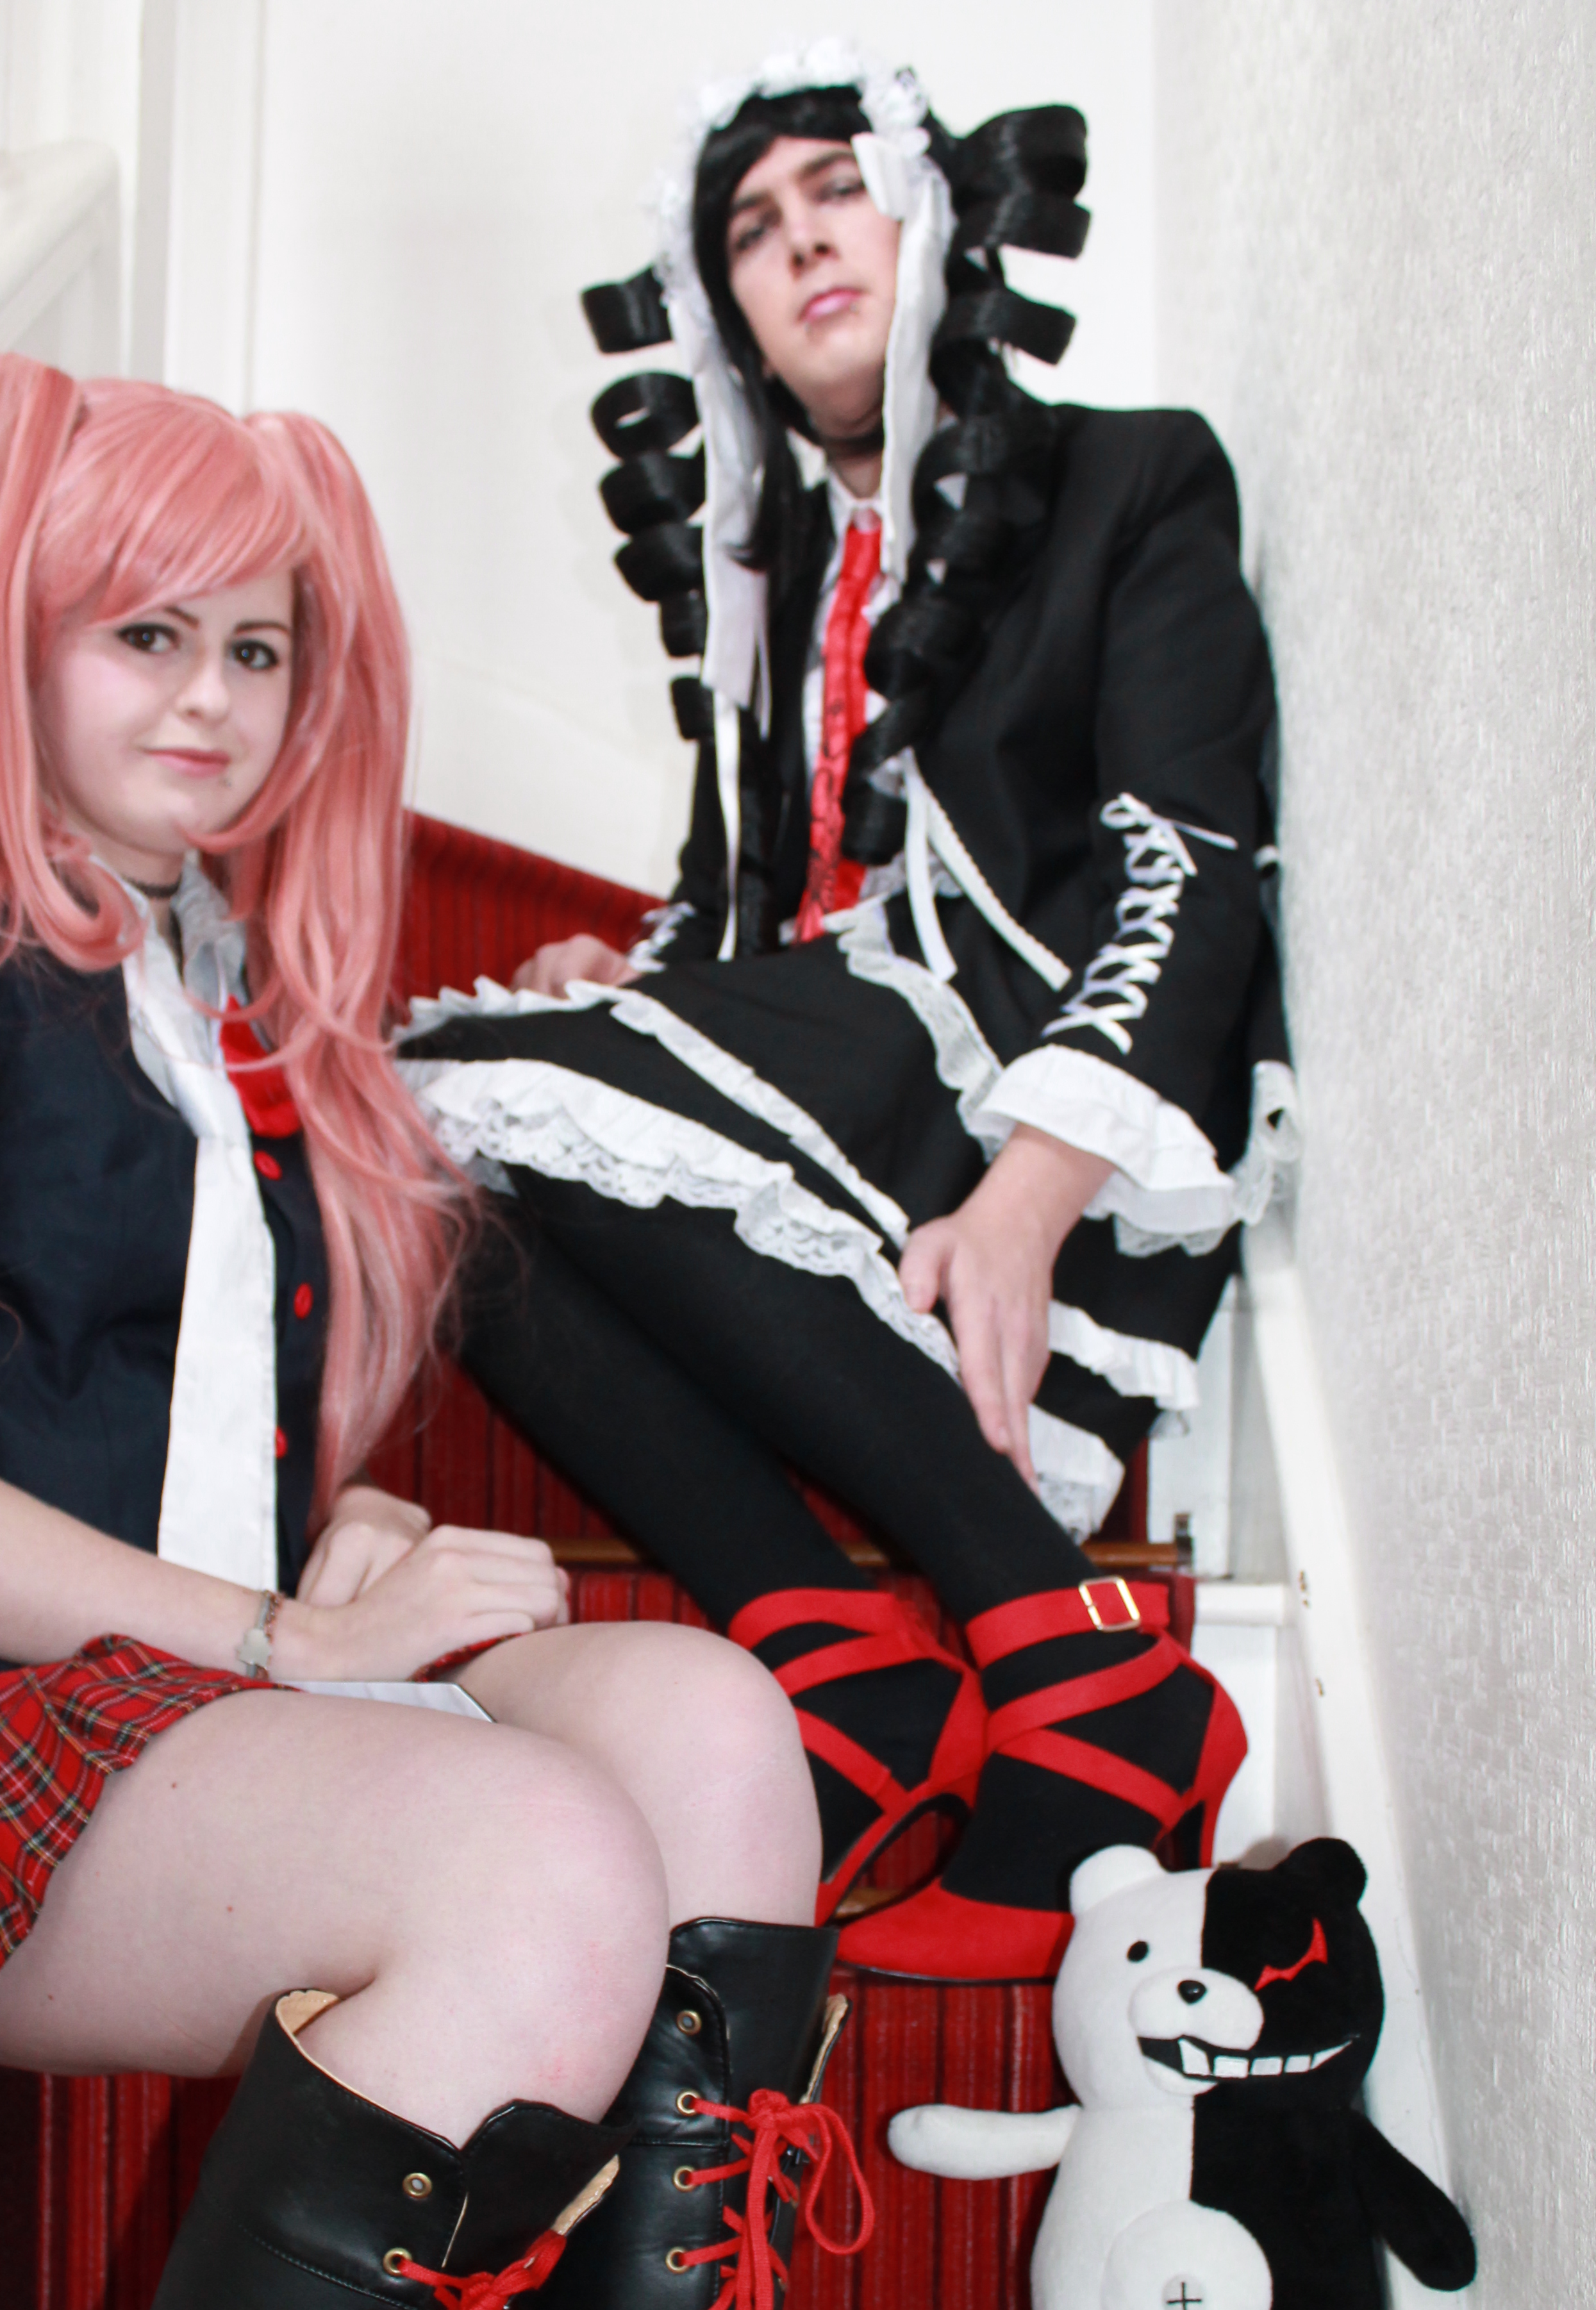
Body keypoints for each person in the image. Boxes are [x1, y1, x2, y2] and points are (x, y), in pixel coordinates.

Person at [0, 356, 869, 2310]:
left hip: (179, 1694)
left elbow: (168, 1431)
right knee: (540, 1869)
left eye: (255, 646)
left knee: (710, 1723)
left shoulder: (218, 993)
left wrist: (325, 1532)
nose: (212, 698)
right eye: (143, 634)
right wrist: (282, 1625)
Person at [400, 40, 1297, 1988]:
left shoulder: (1131, 476)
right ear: (721, 305)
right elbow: (774, 890)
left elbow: (1188, 864)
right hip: (842, 1056)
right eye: (752, 229)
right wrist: (631, 991)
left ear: (938, 224)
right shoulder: (777, 571)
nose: (802, 245)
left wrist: (1039, 1191)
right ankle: (832, 1656)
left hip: (1029, 1076)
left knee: (466, 1096)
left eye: (840, 195)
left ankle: (1068, 1660)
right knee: (411, 1148)